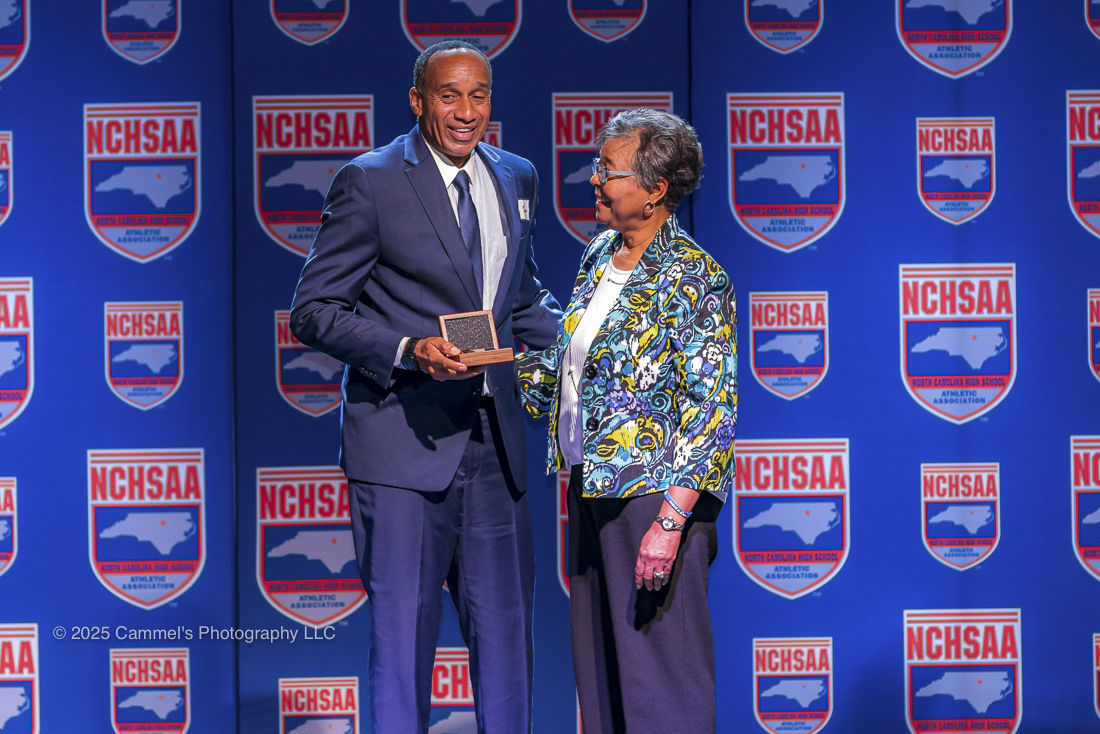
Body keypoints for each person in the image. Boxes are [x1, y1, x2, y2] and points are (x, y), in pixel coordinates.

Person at [290, 40, 561, 734]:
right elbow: (314, 311)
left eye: (479, 95)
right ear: (418, 101)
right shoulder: (371, 180)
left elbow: (519, 300)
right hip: (402, 448)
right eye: (449, 95)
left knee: (509, 646)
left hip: (495, 447)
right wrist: (409, 351)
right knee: (403, 647)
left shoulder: (517, 176)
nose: (466, 111)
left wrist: (588, 339)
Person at [516, 108, 737, 733]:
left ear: (655, 189)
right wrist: (492, 359)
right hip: (591, 488)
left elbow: (712, 410)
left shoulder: (695, 276)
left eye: (607, 170)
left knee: (660, 684)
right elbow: (568, 366)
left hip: (653, 501)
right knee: (603, 678)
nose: (594, 179)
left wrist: (670, 523)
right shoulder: (600, 255)